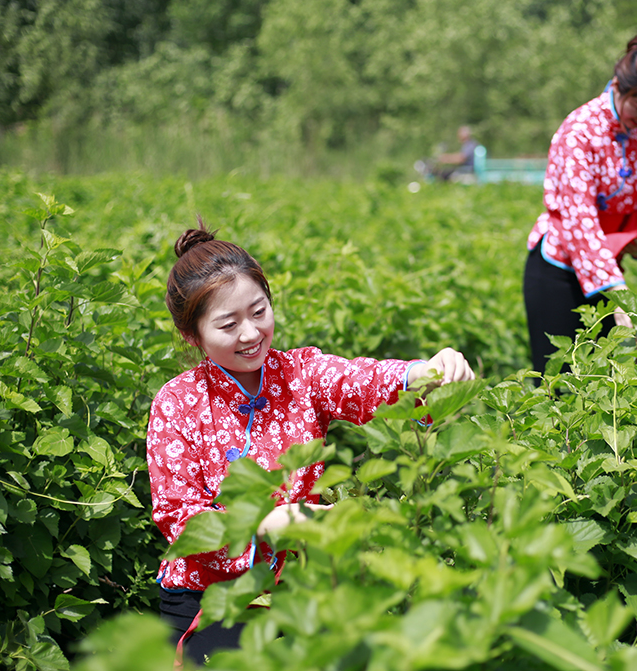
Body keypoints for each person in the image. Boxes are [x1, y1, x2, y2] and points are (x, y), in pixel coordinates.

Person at [146, 223, 475, 665]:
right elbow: (180, 518)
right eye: (228, 324)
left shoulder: (301, 374)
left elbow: (362, 382)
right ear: (193, 336)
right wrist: (268, 524)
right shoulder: (178, 402)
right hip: (209, 596)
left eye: (259, 311)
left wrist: (423, 371)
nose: (250, 334)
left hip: (299, 587)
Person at [523, 32, 637, 375]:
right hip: (559, 270)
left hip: (607, 269)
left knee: (612, 383)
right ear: (617, 86)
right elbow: (579, 219)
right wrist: (618, 296)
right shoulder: (580, 130)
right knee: (558, 385)